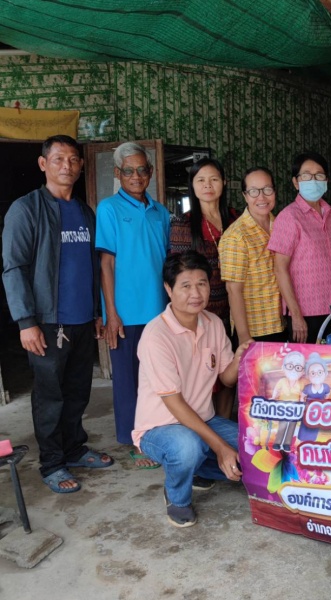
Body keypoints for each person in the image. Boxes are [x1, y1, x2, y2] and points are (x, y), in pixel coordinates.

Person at [2, 135, 113, 493]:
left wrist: (97, 313)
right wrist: (26, 322)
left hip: (82, 320)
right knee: (50, 397)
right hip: (47, 323)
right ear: (43, 164)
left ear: (81, 166)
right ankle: (52, 463)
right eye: (59, 158)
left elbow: (93, 268)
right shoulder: (27, 209)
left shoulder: (85, 212)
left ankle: (75, 449)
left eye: (73, 159)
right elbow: (14, 268)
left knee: (78, 391)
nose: (67, 165)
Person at [133, 251, 249, 528]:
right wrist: (220, 448)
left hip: (203, 419)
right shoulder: (156, 335)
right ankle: (177, 498)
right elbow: (174, 403)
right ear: (168, 289)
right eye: (186, 286)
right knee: (187, 447)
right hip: (160, 427)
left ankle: (198, 470)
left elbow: (227, 379)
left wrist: (239, 358)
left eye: (202, 284)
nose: (196, 293)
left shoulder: (213, 323)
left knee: (252, 449)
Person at [96, 141, 170, 467]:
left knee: (155, 379)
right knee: (127, 381)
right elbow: (106, 264)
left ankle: (157, 433)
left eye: (142, 170)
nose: (136, 176)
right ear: (118, 173)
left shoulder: (161, 213)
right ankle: (135, 441)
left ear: (150, 172)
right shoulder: (109, 209)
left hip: (159, 311)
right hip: (125, 313)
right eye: (129, 171)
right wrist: (111, 313)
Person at [169, 158, 238, 418]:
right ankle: (202, 427)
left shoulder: (236, 218)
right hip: (203, 311)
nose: (208, 185)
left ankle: (223, 425)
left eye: (214, 179)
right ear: (193, 186)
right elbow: (180, 272)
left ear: (224, 183)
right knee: (203, 372)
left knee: (229, 371)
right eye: (201, 180)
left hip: (238, 309)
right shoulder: (183, 223)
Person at [267, 152, 331, 344]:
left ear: (326, 181)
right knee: (310, 362)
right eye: (306, 175)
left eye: (319, 175)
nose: (313, 180)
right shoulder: (288, 217)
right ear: (296, 182)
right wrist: (296, 315)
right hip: (307, 313)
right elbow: (280, 268)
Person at [218, 166, 285, 344]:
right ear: (245, 196)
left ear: (274, 192)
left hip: (284, 322)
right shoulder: (236, 236)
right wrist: (244, 337)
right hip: (256, 330)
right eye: (254, 191)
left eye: (267, 189)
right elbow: (233, 290)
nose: (261, 197)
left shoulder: (281, 225)